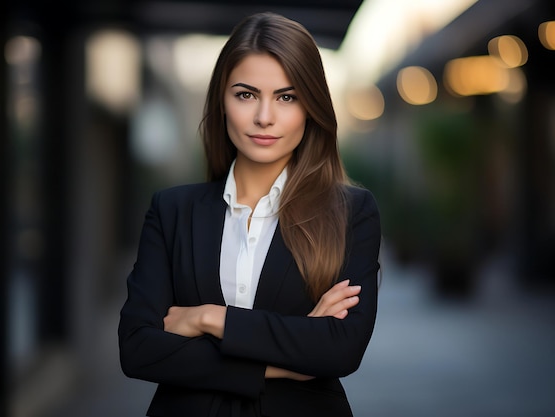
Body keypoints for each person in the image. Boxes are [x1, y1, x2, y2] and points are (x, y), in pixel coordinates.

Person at [118, 11, 381, 417]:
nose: (264, 117)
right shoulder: (172, 210)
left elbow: (339, 348)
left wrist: (209, 318)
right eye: (246, 94)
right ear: (221, 102)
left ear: (310, 107)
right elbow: (137, 349)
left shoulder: (350, 213)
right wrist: (287, 360)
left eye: (286, 97)